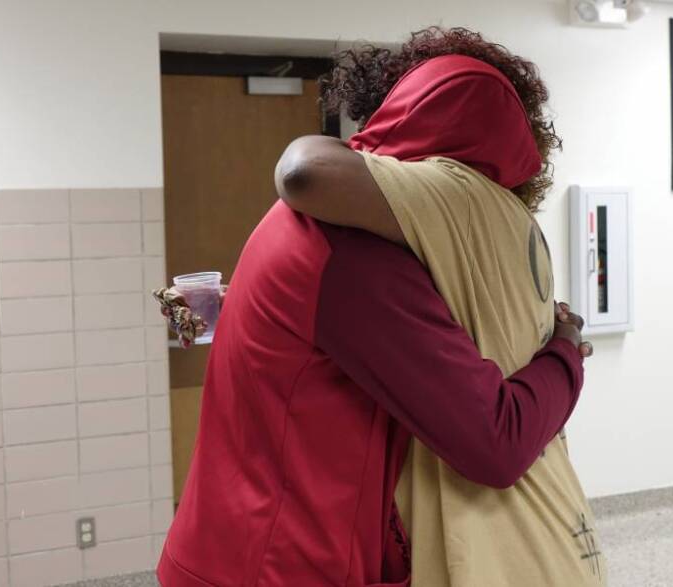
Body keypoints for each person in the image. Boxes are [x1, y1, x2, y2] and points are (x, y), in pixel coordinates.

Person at [155, 48, 590, 587]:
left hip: (246, 543)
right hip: (277, 564)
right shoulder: (354, 249)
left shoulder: (329, 229)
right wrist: (566, 350)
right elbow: (495, 442)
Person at [278, 28, 605, 586]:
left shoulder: (454, 199)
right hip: (558, 520)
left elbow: (306, 171)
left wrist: (565, 354)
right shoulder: (510, 223)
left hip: (499, 535)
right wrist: (566, 349)